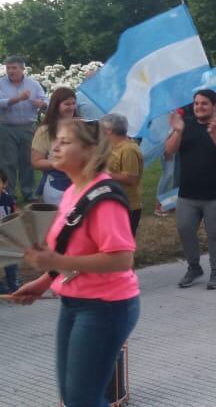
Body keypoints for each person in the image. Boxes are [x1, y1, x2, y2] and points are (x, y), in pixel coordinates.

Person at [10, 119, 140, 407]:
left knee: (83, 399)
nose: (54, 147)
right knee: (74, 398)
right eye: (56, 140)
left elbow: (122, 258)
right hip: (74, 302)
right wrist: (45, 280)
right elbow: (74, 249)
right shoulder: (73, 191)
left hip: (106, 307)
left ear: (90, 151)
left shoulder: (104, 197)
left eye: (65, 142)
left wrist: (55, 260)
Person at [165, 90, 216, 290]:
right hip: (188, 193)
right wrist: (178, 131)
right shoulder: (186, 124)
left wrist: (214, 132)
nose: (199, 107)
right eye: (196, 103)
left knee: (215, 233)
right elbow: (169, 151)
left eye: (204, 103)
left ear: (215, 105)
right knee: (185, 229)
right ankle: (194, 267)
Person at [0, 55, 47, 202]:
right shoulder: (0, 83)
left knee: (28, 161)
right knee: (8, 162)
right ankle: (8, 194)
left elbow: (45, 100)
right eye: (8, 68)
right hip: (7, 127)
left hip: (28, 127)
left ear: (22, 68)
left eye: (14, 68)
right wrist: (18, 99)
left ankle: (29, 193)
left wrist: (42, 104)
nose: (11, 71)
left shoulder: (33, 84)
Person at [99, 113, 145, 236]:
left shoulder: (128, 150)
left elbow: (131, 179)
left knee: (124, 242)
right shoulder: (112, 146)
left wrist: (104, 173)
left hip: (128, 205)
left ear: (109, 131)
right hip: (113, 201)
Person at [31, 87, 77, 205]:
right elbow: (36, 162)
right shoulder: (44, 131)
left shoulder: (81, 126)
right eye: (67, 104)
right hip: (57, 187)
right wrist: (58, 162)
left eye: (73, 103)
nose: (71, 107)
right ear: (56, 106)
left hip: (80, 184)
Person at [0, 168, 18, 294]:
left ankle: (13, 284)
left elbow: (13, 215)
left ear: (5, 183)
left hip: (7, 237)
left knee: (11, 262)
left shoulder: (8, 199)